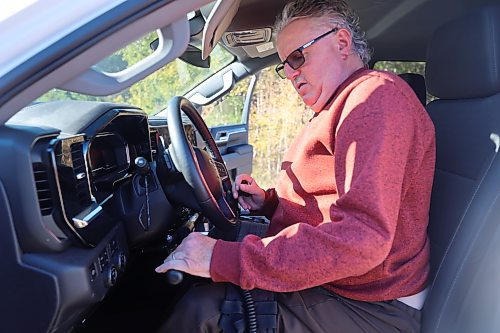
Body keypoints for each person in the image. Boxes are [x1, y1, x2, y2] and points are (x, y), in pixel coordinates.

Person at [155, 0, 435, 332]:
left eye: (298, 57)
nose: (290, 73)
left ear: (341, 43)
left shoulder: (373, 99)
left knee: (204, 309)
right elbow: (334, 198)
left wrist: (221, 259)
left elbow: (364, 238)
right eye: (284, 66)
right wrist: (271, 201)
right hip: (348, 282)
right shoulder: (342, 104)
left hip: (369, 303)